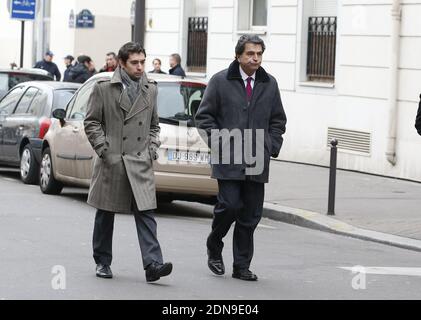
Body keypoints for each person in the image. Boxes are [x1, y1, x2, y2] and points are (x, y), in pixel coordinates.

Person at [194, 34, 287, 281]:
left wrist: (271, 145)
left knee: (250, 216)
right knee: (230, 206)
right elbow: (204, 118)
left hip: (257, 158)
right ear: (238, 55)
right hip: (229, 158)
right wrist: (220, 144)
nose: (255, 58)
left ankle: (241, 266)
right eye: (250, 54)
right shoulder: (220, 81)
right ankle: (214, 244)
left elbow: (278, 120)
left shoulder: (270, 83)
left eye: (259, 54)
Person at [84, 42, 173, 282]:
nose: (140, 67)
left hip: (140, 159)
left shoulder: (151, 89)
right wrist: (104, 149)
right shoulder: (103, 87)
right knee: (106, 214)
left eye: (143, 62)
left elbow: (154, 125)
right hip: (112, 159)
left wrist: (152, 148)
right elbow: (91, 122)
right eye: (135, 62)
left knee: (146, 213)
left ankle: (153, 264)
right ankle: (102, 262)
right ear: (122, 63)